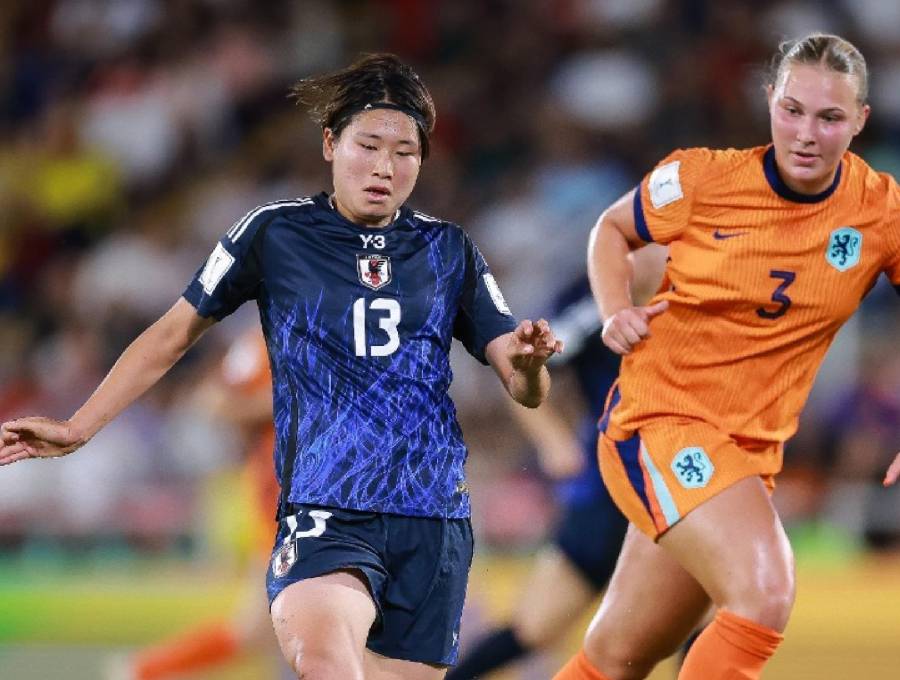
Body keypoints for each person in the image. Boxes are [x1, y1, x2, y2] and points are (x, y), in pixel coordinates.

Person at [0, 53, 563, 680]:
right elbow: (169, 337)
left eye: (405, 152)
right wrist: (79, 427)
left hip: (433, 520)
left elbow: (522, 385)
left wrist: (531, 366)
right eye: (368, 145)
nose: (384, 166)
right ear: (330, 143)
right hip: (325, 508)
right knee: (323, 659)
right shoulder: (273, 233)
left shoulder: (449, 249)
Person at [551, 33, 900, 680]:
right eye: (791, 109)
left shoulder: (879, 210)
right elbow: (612, 229)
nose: (806, 133)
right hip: (660, 421)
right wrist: (614, 308)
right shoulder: (702, 177)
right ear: (769, 100)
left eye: (829, 117)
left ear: (860, 121)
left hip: (747, 457)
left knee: (617, 656)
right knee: (765, 593)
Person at [449, 246, 666, 680]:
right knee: (535, 628)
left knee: (689, 622)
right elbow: (521, 365)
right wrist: (553, 443)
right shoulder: (591, 304)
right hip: (610, 488)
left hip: (679, 485)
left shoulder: (703, 290)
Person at [107, 326, 283, 679]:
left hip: (330, 496)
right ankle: (144, 670)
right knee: (266, 628)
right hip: (284, 501)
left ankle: (143, 670)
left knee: (280, 629)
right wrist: (295, 400)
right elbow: (214, 401)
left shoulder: (351, 327)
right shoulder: (264, 341)